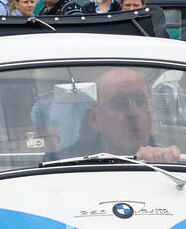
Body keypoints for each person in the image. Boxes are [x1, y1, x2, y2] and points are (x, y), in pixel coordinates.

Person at [50, 68, 179, 163]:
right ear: (95, 119)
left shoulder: (171, 158)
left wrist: (164, 163)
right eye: (119, 103)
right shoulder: (63, 162)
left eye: (140, 101)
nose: (133, 112)